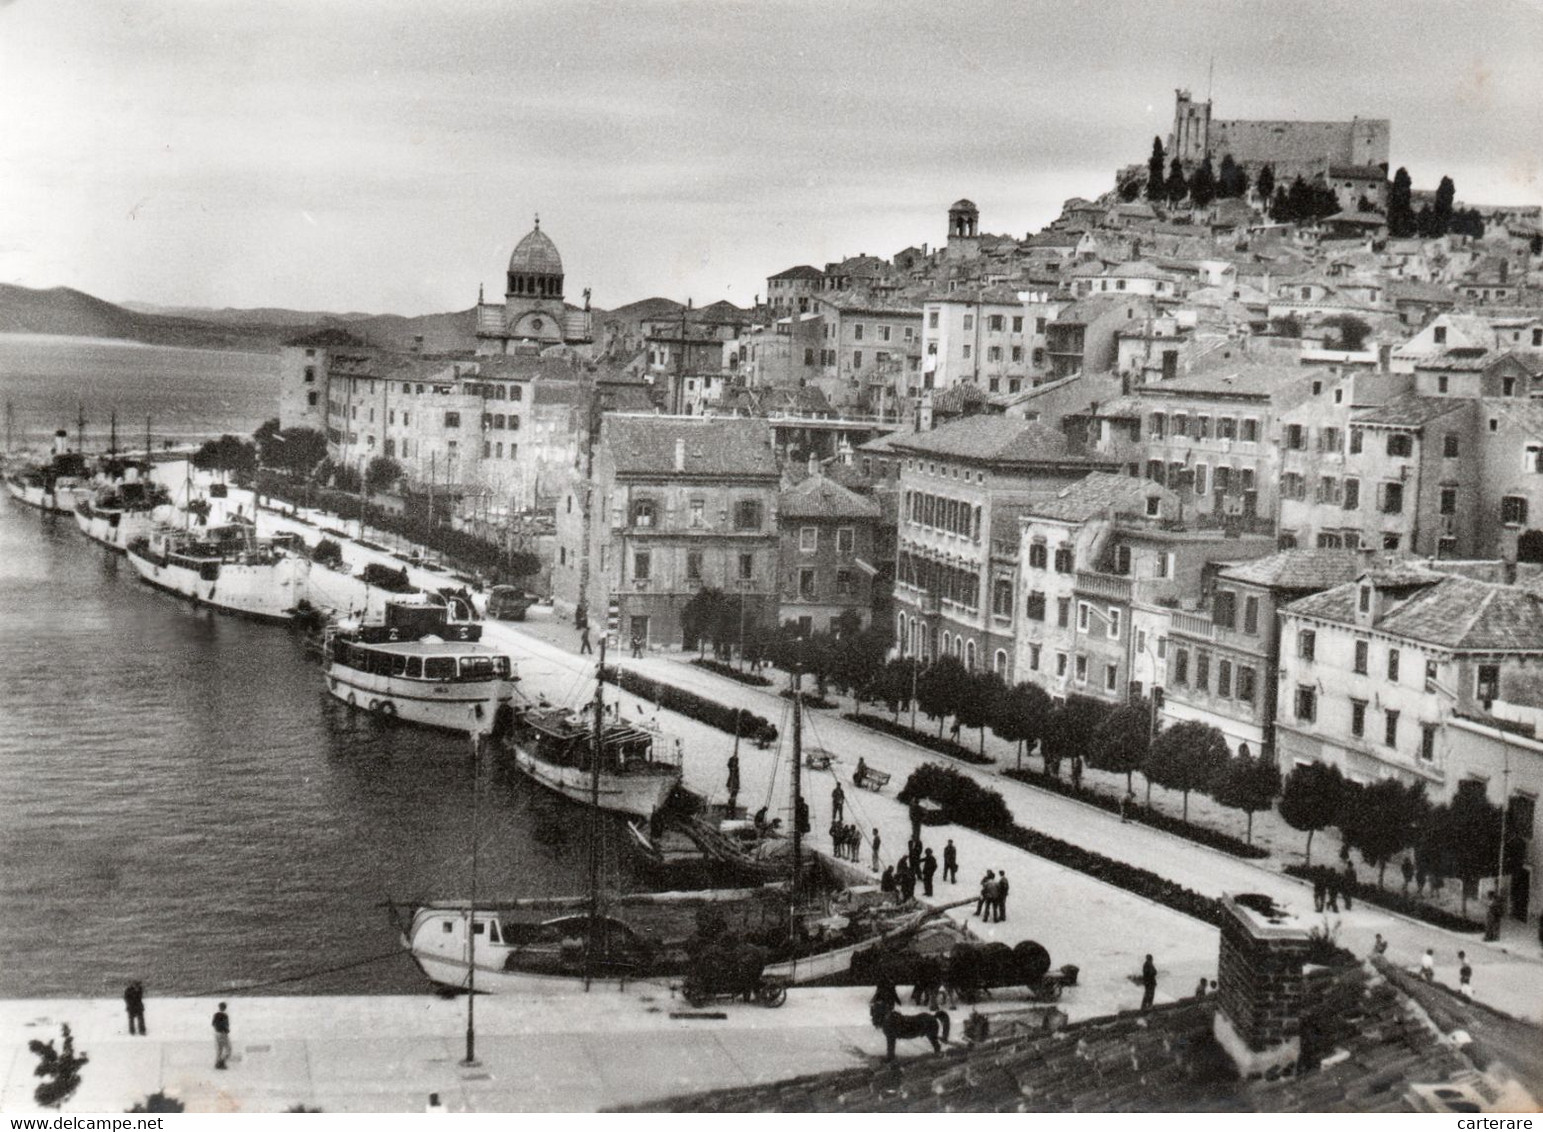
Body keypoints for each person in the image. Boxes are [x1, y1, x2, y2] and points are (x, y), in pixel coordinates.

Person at [212, 1002, 232, 1070]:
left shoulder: (216, 1015)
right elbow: (226, 1025)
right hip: (223, 1033)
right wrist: (226, 1030)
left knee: (219, 1050)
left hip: (216, 1033)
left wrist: (217, 1029)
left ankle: (218, 1064)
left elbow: (213, 1024)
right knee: (229, 1049)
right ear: (225, 1008)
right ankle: (221, 1062)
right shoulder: (225, 1015)